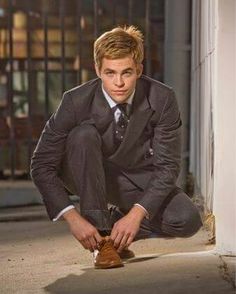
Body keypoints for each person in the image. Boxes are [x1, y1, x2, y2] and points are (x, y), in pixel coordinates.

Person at [31, 26, 202, 269]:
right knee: (83, 135)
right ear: (98, 70)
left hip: (133, 179)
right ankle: (102, 242)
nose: (119, 83)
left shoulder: (162, 98)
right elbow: (41, 165)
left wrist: (136, 214)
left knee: (187, 220)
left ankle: (113, 228)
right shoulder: (75, 101)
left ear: (139, 70)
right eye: (110, 73)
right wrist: (71, 216)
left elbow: (167, 167)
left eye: (127, 73)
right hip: (84, 171)